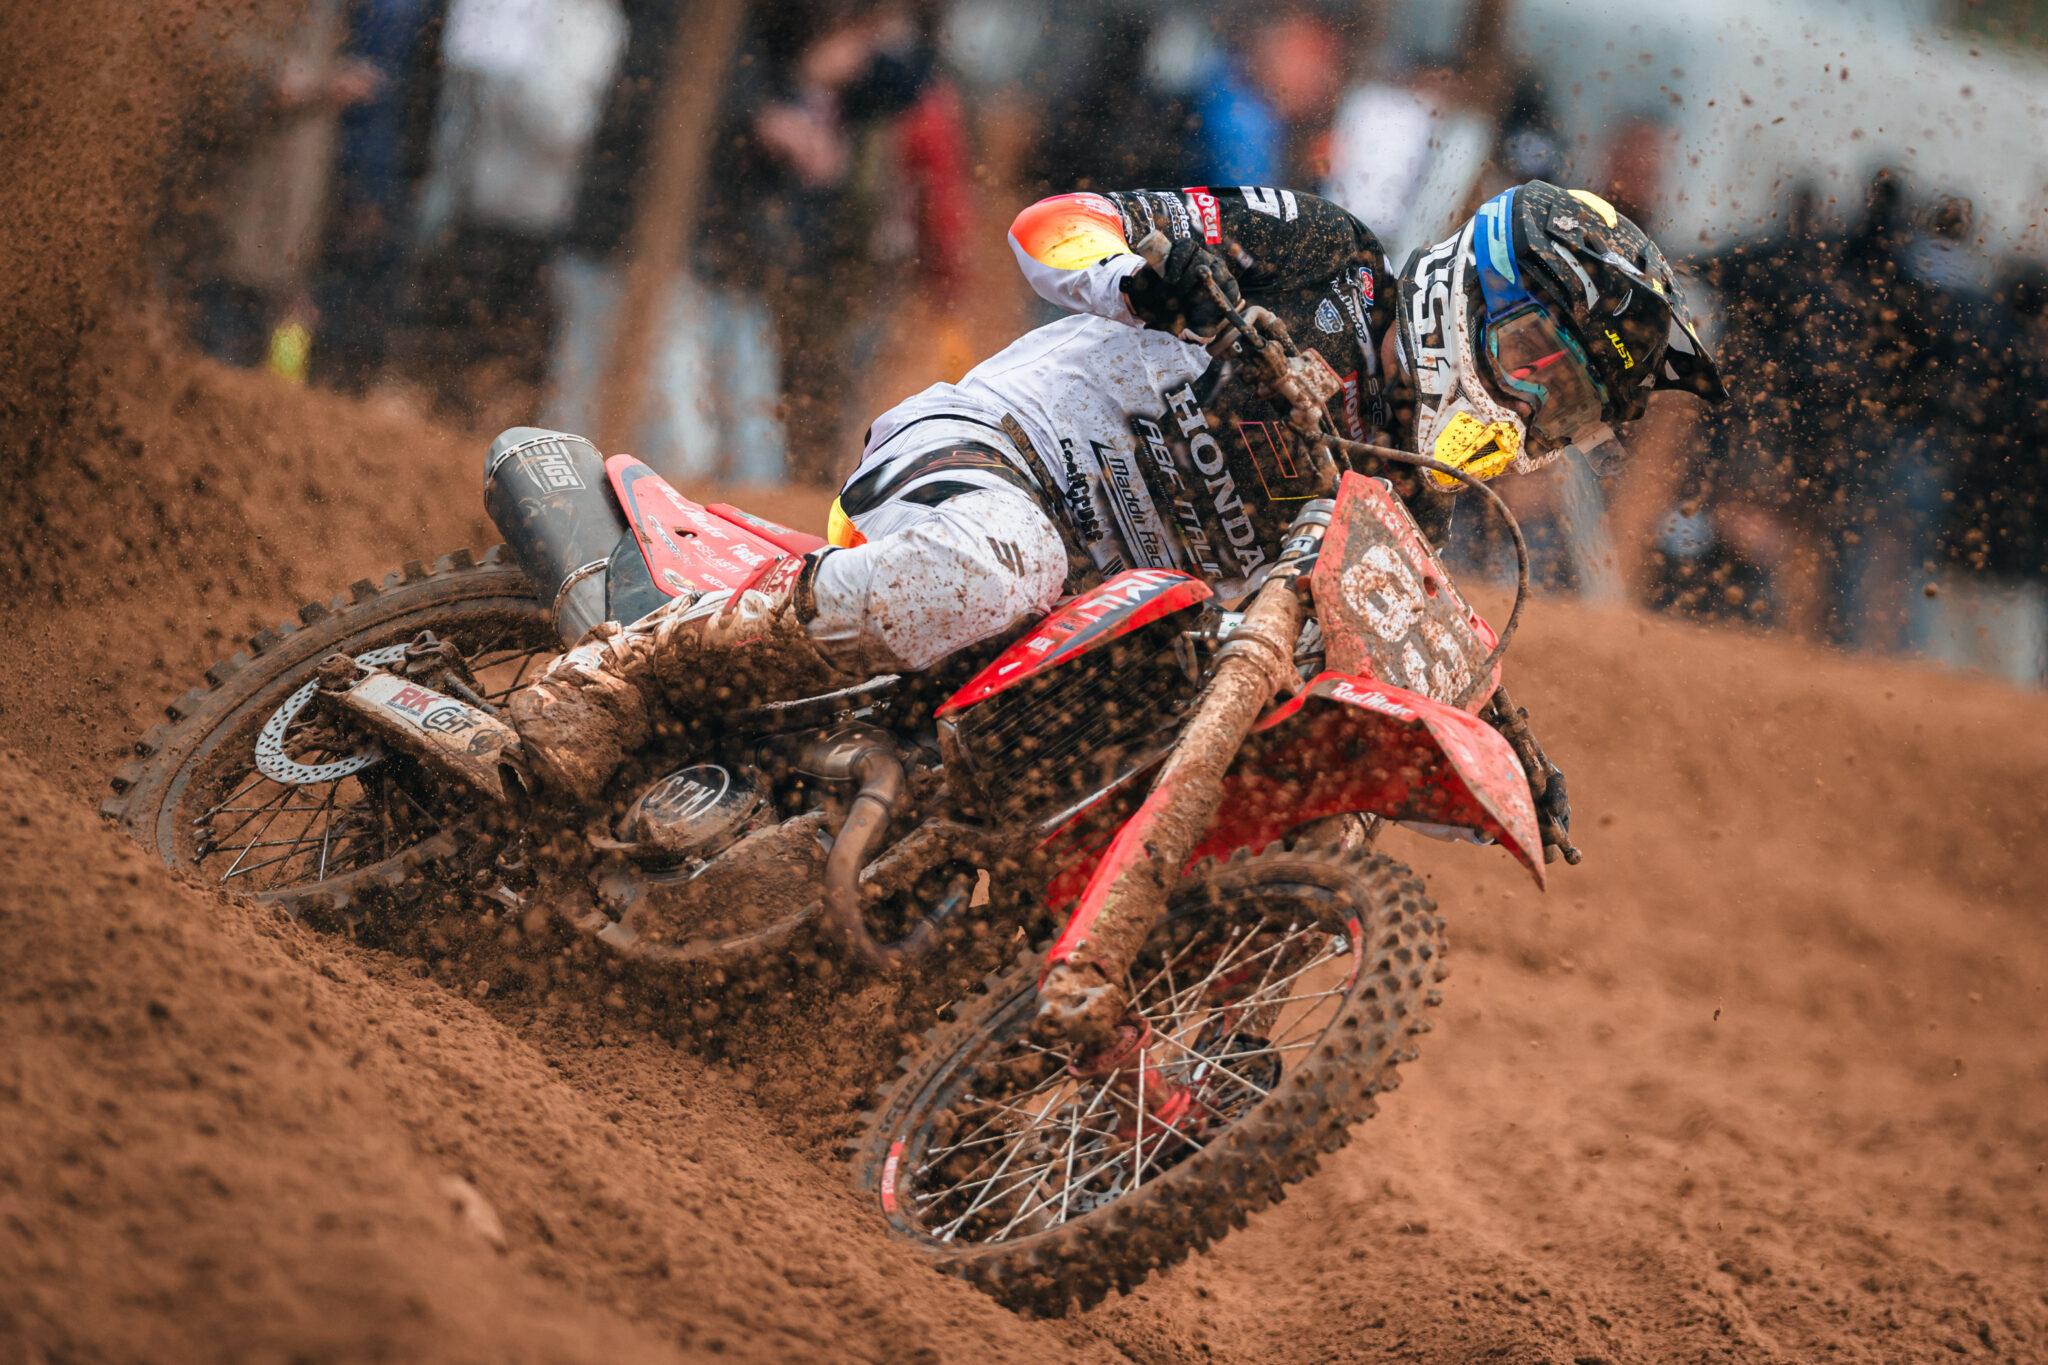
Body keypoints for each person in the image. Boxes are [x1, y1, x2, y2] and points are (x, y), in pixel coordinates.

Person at [506, 180, 1728, 854]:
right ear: (1471, 289)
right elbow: (1053, 225)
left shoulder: (1410, 507)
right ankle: (621, 674)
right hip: (996, 467)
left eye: (1570, 410)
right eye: (1536, 362)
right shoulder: (1327, 260)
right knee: (1003, 566)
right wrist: (1146, 268)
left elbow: (1366, 675)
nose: (1534, 415)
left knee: (1292, 811)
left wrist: (1488, 739)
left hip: (1092, 637)